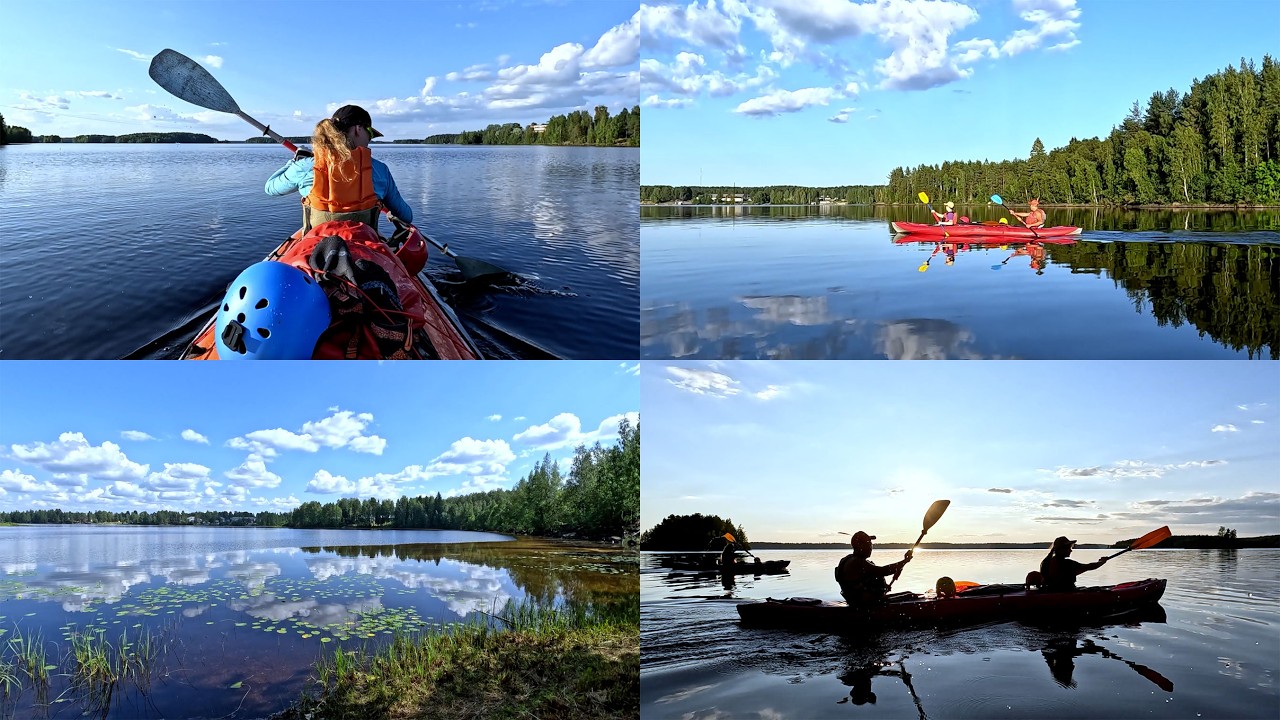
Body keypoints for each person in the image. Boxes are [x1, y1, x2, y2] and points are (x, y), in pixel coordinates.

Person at [265, 105, 413, 235]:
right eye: (370, 133)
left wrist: (295, 161)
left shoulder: (306, 166)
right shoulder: (380, 170)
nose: (370, 139)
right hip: (364, 246)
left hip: (318, 247)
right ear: (358, 129)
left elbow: (270, 188)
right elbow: (406, 216)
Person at [835, 531, 913, 605]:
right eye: (868, 543)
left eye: (871, 544)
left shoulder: (848, 559)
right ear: (860, 546)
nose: (871, 547)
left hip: (858, 601)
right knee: (910, 596)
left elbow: (865, 578)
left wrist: (884, 586)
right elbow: (883, 571)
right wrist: (905, 561)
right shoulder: (857, 562)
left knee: (908, 593)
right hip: (865, 604)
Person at [1039, 536, 1107, 591]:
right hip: (1066, 593)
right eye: (1068, 548)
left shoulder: (1046, 562)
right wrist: (1102, 562)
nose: (1071, 550)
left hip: (1051, 591)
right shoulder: (1067, 564)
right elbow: (1088, 567)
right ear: (1061, 550)